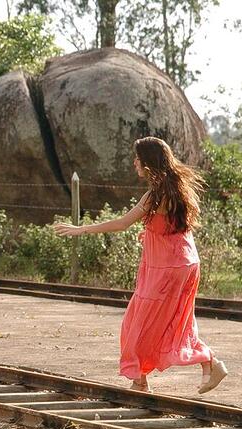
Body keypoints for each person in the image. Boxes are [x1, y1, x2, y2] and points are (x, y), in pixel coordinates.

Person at [54, 136, 227, 394]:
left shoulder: (154, 196)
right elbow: (174, 228)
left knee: (139, 323)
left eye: (138, 158)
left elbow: (121, 223)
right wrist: (150, 234)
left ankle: (195, 365)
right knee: (175, 321)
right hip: (186, 263)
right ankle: (192, 368)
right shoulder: (180, 188)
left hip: (166, 269)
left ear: (149, 163)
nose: (134, 162)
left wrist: (82, 229)